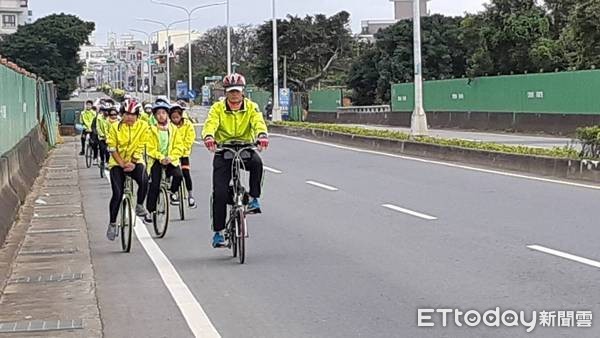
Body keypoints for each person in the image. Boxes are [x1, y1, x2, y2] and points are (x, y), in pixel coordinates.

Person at [201, 73, 269, 248]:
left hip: (245, 147)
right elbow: (211, 123)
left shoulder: (251, 107)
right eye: (231, 91)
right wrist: (209, 136)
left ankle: (254, 198)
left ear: (243, 92)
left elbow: (258, 122)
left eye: (237, 91)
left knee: (257, 164)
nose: (234, 95)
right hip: (224, 150)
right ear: (226, 92)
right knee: (220, 193)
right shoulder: (217, 108)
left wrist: (262, 135)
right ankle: (218, 232)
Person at [106, 99, 151, 240]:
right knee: (117, 194)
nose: (130, 117)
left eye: (133, 114)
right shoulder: (114, 127)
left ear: (138, 116)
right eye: (126, 114)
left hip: (135, 161)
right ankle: (113, 223)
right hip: (117, 163)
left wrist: (133, 161)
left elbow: (142, 145)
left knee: (144, 179)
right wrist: (121, 163)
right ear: (122, 114)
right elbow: (111, 148)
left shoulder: (143, 126)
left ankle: (139, 205)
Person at [145, 101, 185, 224]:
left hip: (171, 160)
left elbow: (179, 146)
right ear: (155, 116)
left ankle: (172, 192)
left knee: (179, 175)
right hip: (157, 160)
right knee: (154, 185)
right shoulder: (151, 130)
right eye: (158, 113)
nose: (161, 116)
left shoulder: (173, 129)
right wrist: (160, 157)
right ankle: (150, 211)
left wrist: (171, 157)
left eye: (163, 113)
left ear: (167, 114)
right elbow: (150, 148)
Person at [169, 104, 197, 208]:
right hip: (172, 154)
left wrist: (183, 148)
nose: (175, 119)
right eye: (173, 118)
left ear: (181, 116)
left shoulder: (187, 124)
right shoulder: (168, 126)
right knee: (175, 174)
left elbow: (190, 137)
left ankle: (190, 195)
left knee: (186, 173)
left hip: (184, 153)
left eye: (177, 117)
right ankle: (173, 192)